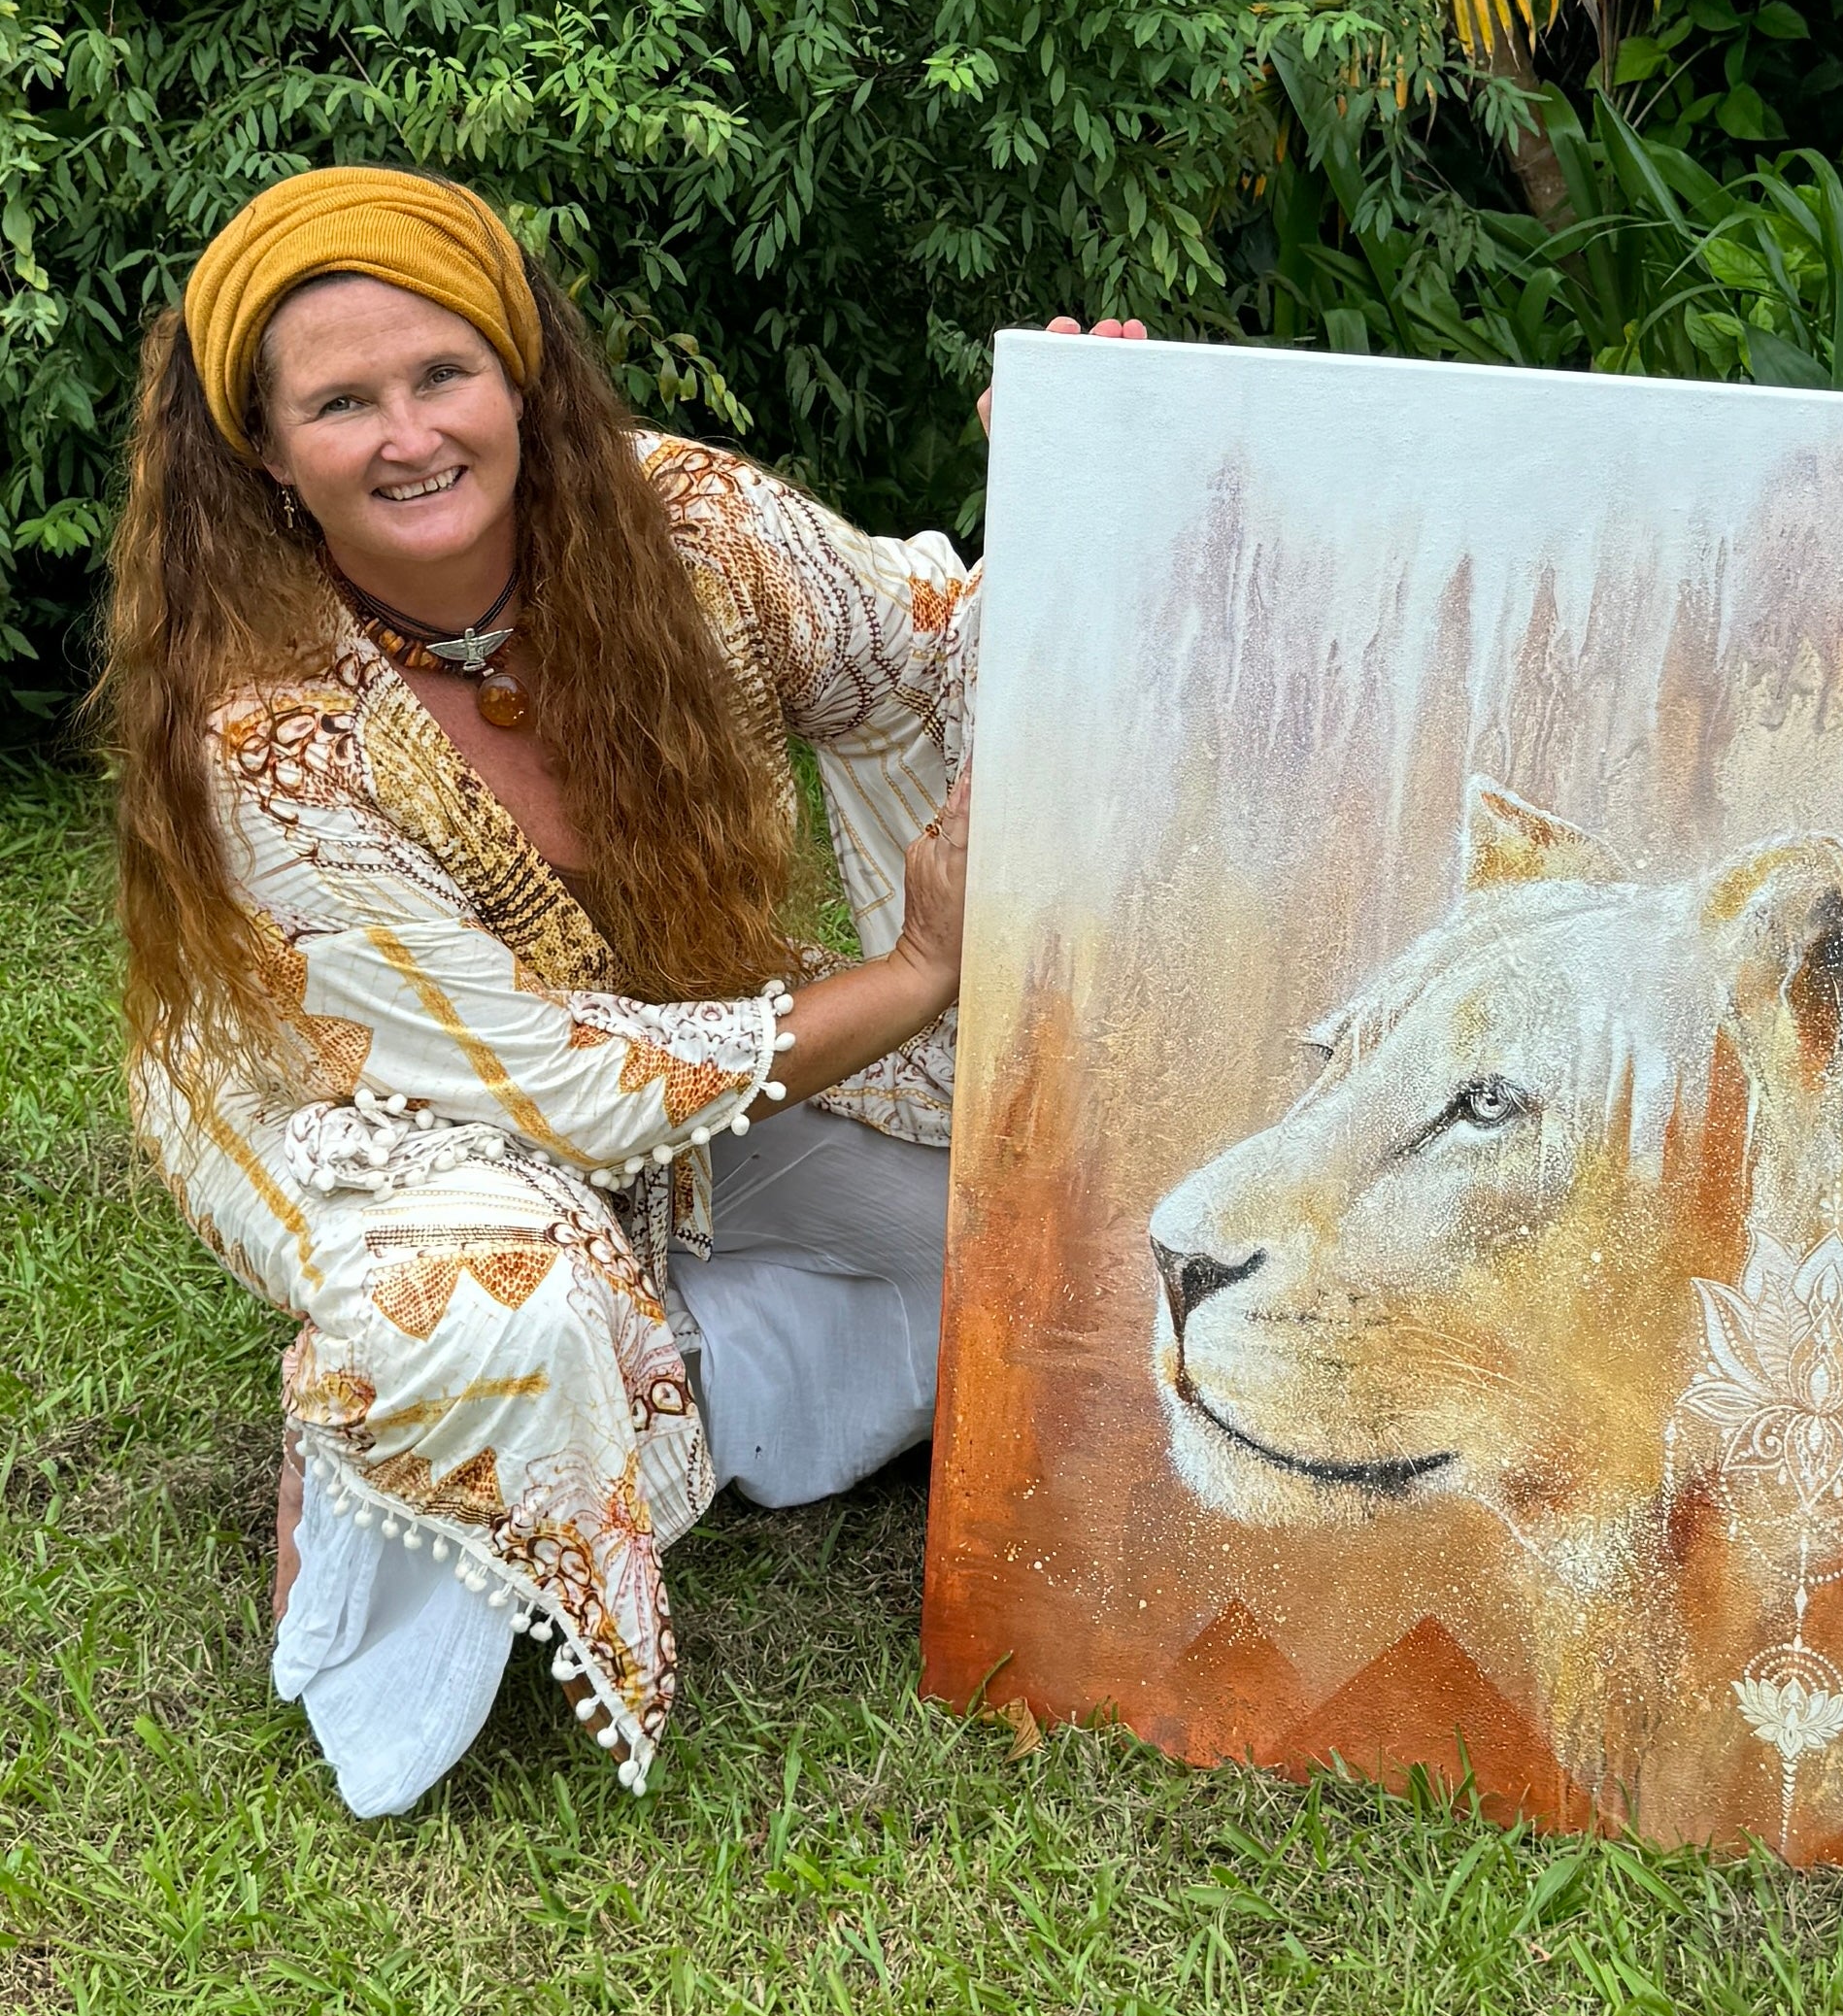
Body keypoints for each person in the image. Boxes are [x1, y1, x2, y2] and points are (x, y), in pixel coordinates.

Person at [97, 159, 1128, 1815]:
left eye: (442, 371)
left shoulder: (688, 527)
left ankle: (693, 1361)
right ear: (271, 458)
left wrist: (1085, 470)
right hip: (373, 1100)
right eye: (342, 401)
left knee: (1047, 1207)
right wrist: (921, 972)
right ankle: (387, 1427)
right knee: (509, 1312)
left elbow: (932, 644)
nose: (410, 431)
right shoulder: (264, 733)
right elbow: (560, 1086)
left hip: (673, 1023)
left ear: (520, 377)